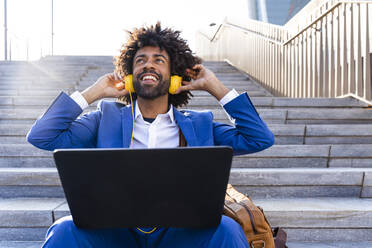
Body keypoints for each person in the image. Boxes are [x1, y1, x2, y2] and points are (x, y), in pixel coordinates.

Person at [27, 22, 274, 248]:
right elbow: (41, 136)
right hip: (115, 233)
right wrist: (92, 93)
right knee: (63, 230)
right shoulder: (105, 118)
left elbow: (259, 138)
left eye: (159, 60)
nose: (149, 64)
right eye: (141, 60)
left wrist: (216, 88)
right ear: (130, 75)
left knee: (227, 230)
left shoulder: (200, 123)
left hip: (180, 233)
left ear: (175, 76)